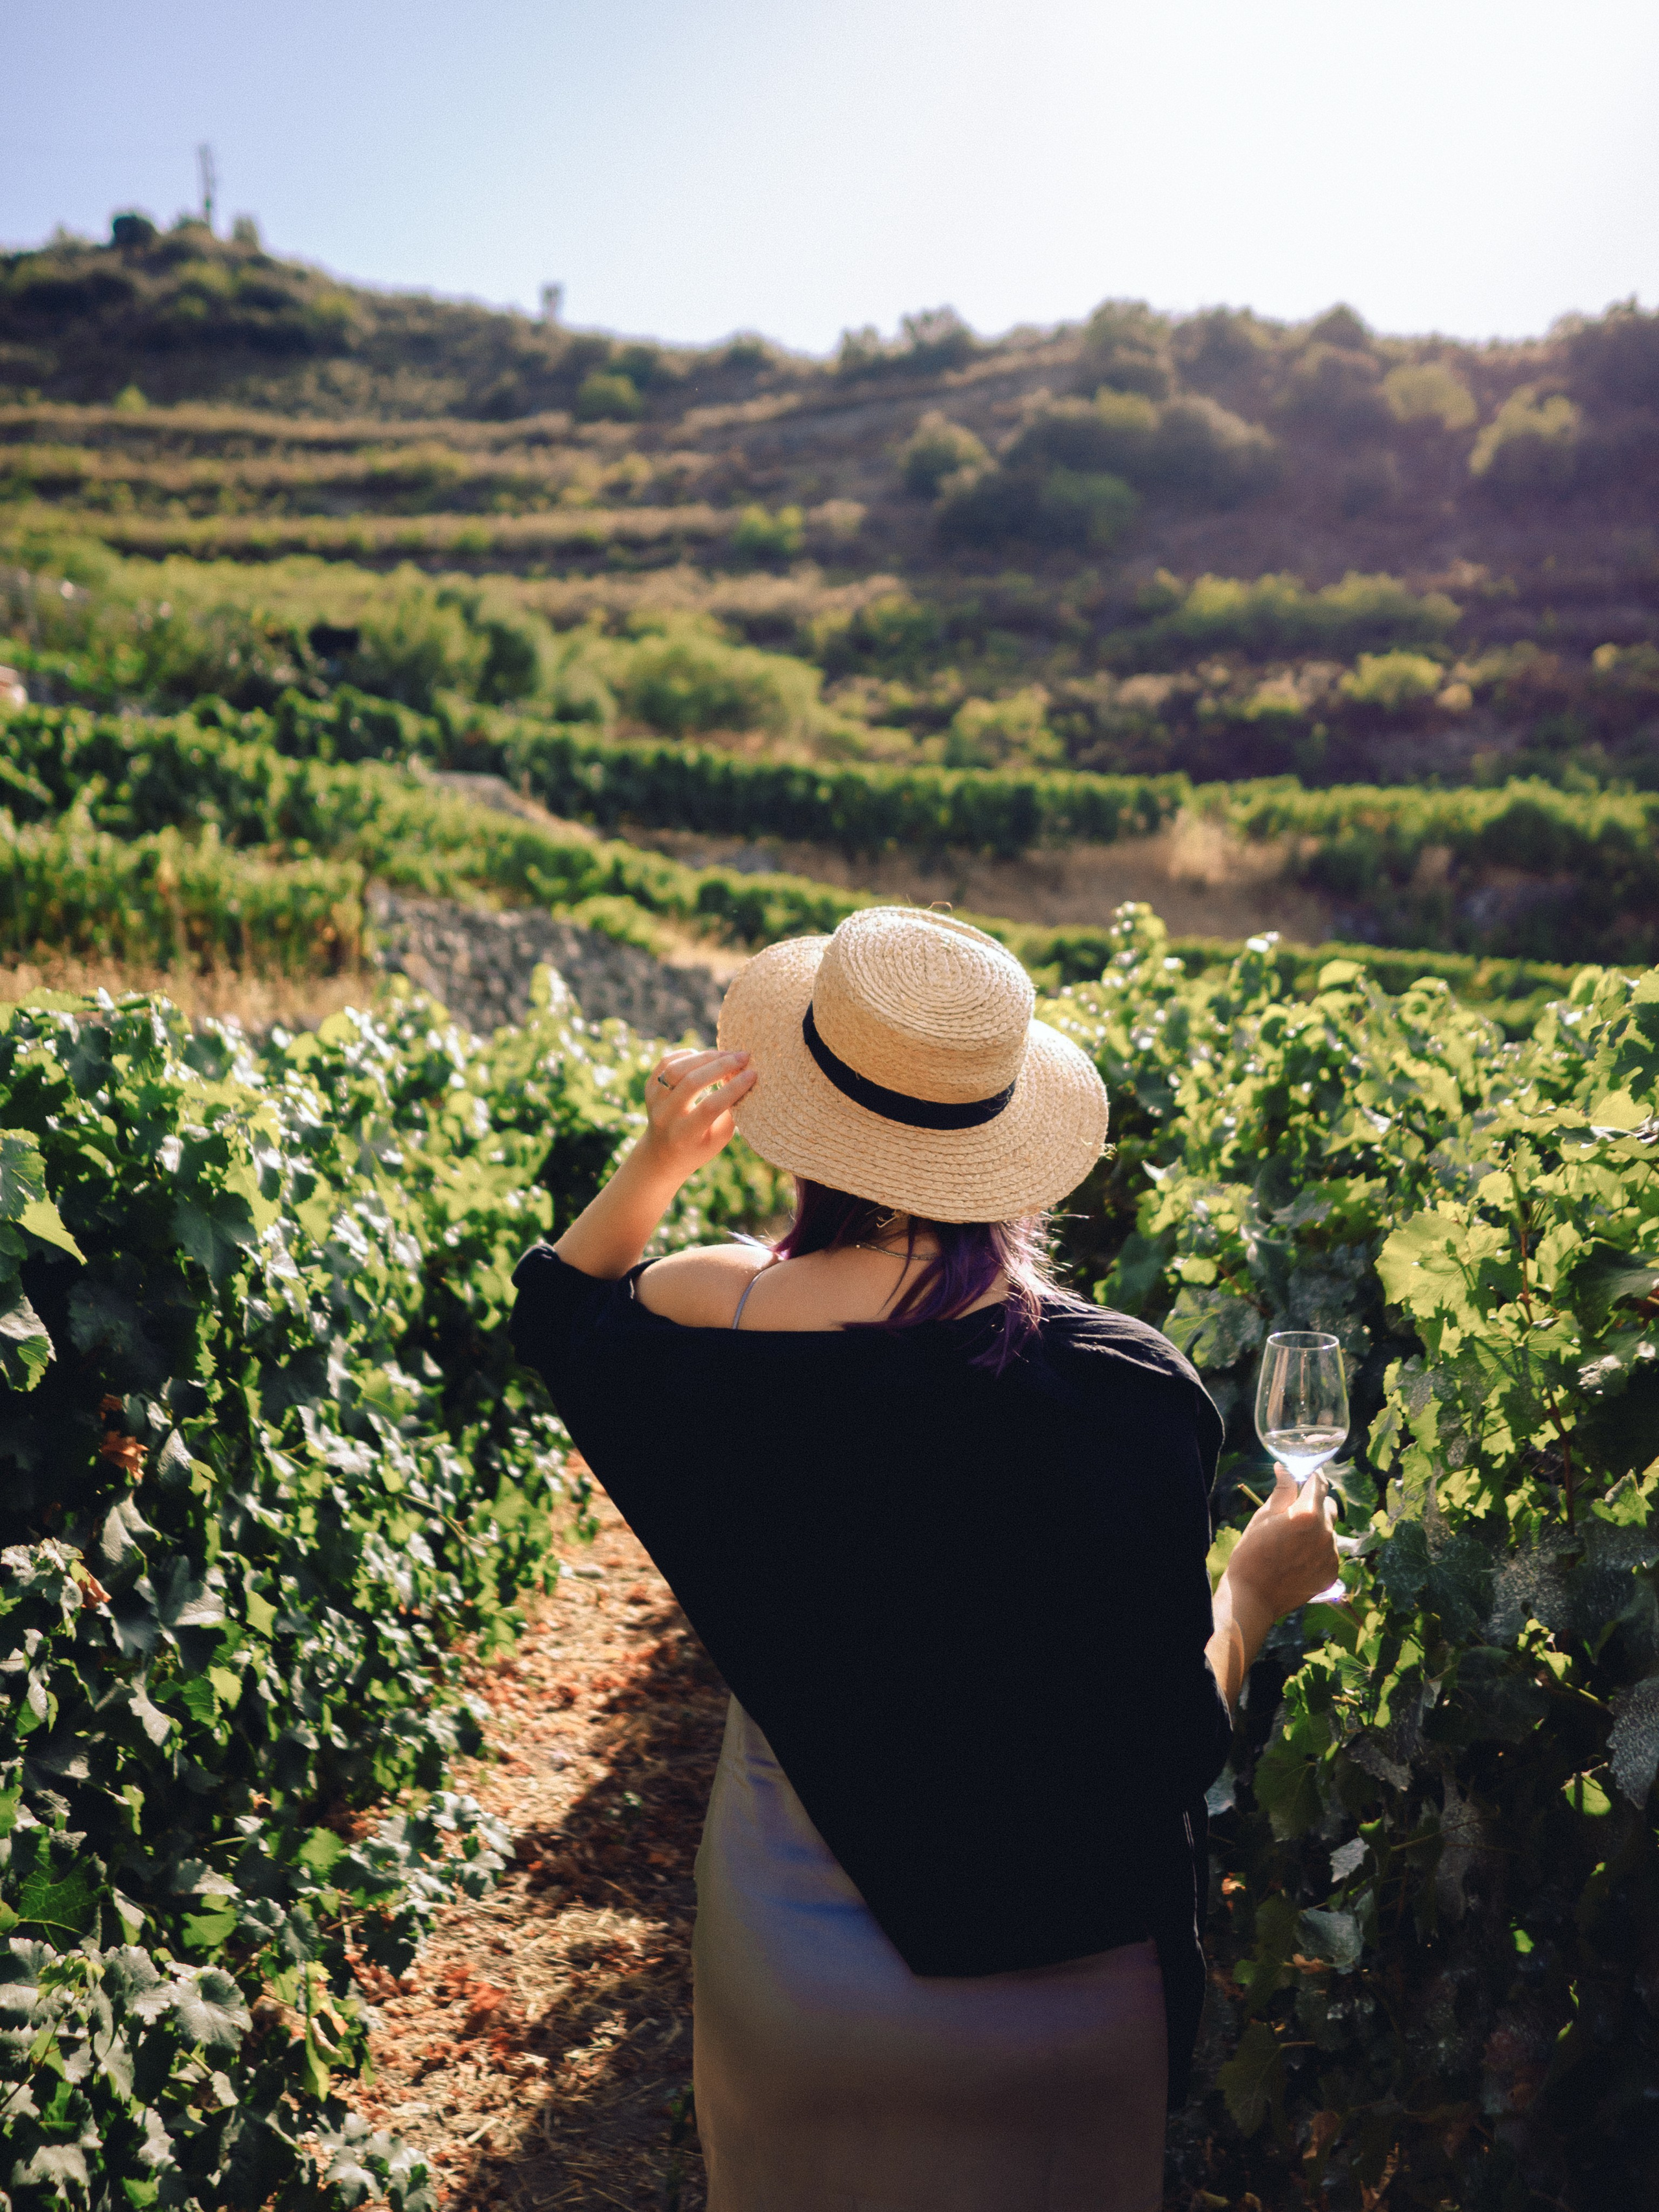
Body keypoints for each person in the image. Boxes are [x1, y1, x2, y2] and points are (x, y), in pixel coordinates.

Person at [509, 907, 1340, 2212]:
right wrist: (1252, 1590)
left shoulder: (703, 1316)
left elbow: (559, 1307)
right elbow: (1166, 1745)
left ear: (805, 1116)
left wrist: (658, 1160)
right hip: (1066, 1999)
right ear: (1005, 1142)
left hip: (791, 1963)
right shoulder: (1125, 1389)